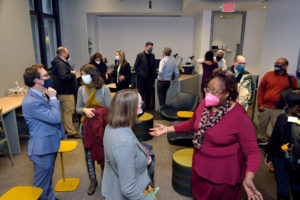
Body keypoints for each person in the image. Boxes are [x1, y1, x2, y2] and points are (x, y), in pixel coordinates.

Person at [150, 72, 262, 200]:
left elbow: (252, 152)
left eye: (214, 92)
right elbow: (192, 124)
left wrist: (249, 177)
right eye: (207, 90)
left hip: (223, 177)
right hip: (199, 168)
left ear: (227, 94)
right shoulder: (204, 104)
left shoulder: (239, 116)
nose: (209, 95)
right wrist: (167, 129)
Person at [22, 64, 64, 200]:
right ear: (36, 80)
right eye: (45, 75)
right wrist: (53, 98)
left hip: (49, 144)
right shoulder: (32, 101)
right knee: (40, 186)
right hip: (42, 149)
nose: (49, 77)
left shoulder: (40, 94)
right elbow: (55, 117)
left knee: (48, 177)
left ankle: (50, 198)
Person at [102, 90, 154, 200]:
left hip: (113, 182)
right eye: (139, 104)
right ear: (130, 110)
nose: (142, 107)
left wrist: (143, 159)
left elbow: (121, 159)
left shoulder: (111, 126)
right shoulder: (124, 143)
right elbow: (129, 189)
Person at [76, 64, 111, 195]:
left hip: (102, 128)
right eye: (81, 74)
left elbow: (109, 109)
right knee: (88, 155)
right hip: (85, 127)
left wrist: (98, 113)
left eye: (84, 74)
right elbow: (77, 108)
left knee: (103, 154)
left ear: (93, 74)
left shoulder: (104, 89)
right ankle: (93, 180)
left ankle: (105, 180)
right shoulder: (81, 90)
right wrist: (84, 110)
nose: (82, 76)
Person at [265, 91, 300, 200]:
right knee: (297, 184)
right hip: (298, 159)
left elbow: (274, 139)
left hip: (282, 157)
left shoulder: (283, 118)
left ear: (287, 102)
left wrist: (268, 155)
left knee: (283, 184)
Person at [257, 58, 298, 145]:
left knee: (277, 127)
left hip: (278, 108)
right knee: (262, 125)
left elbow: (294, 91)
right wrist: (260, 104)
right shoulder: (268, 74)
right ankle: (262, 140)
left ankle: (274, 144)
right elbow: (261, 89)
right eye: (276, 63)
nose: (276, 65)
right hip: (265, 106)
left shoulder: (290, 78)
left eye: (279, 63)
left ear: (285, 66)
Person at [51, 46, 80, 138]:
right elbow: (63, 77)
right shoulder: (61, 64)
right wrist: (73, 74)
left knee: (64, 112)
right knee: (69, 111)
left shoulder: (58, 63)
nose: (68, 54)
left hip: (61, 91)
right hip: (66, 91)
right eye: (67, 52)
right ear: (63, 53)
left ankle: (65, 129)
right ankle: (71, 132)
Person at [134, 41, 156, 110]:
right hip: (142, 78)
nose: (151, 49)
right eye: (150, 47)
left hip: (150, 78)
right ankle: (140, 107)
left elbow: (153, 66)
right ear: (146, 47)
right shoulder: (140, 55)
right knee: (141, 93)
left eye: (152, 48)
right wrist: (140, 74)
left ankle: (147, 107)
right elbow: (135, 66)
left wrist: (153, 75)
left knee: (148, 93)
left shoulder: (152, 55)